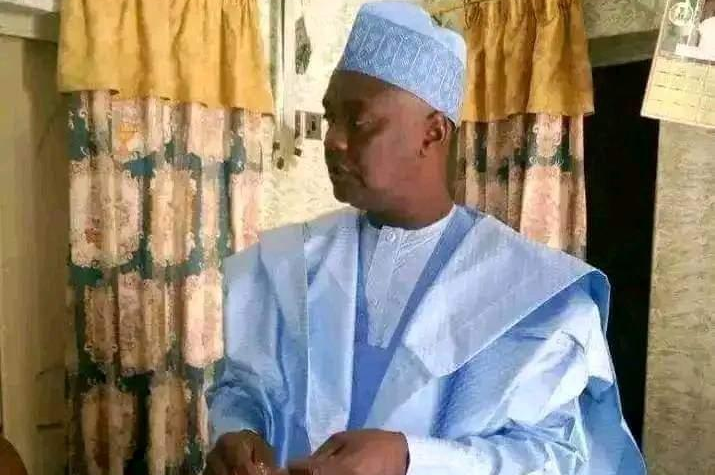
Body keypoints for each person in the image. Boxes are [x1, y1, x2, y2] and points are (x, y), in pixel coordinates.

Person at [205, 2, 646, 474]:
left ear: (432, 133)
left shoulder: (535, 294)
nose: (332, 139)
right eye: (330, 118)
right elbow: (243, 388)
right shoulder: (288, 263)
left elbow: (558, 458)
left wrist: (411, 459)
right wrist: (238, 432)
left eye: (358, 120)